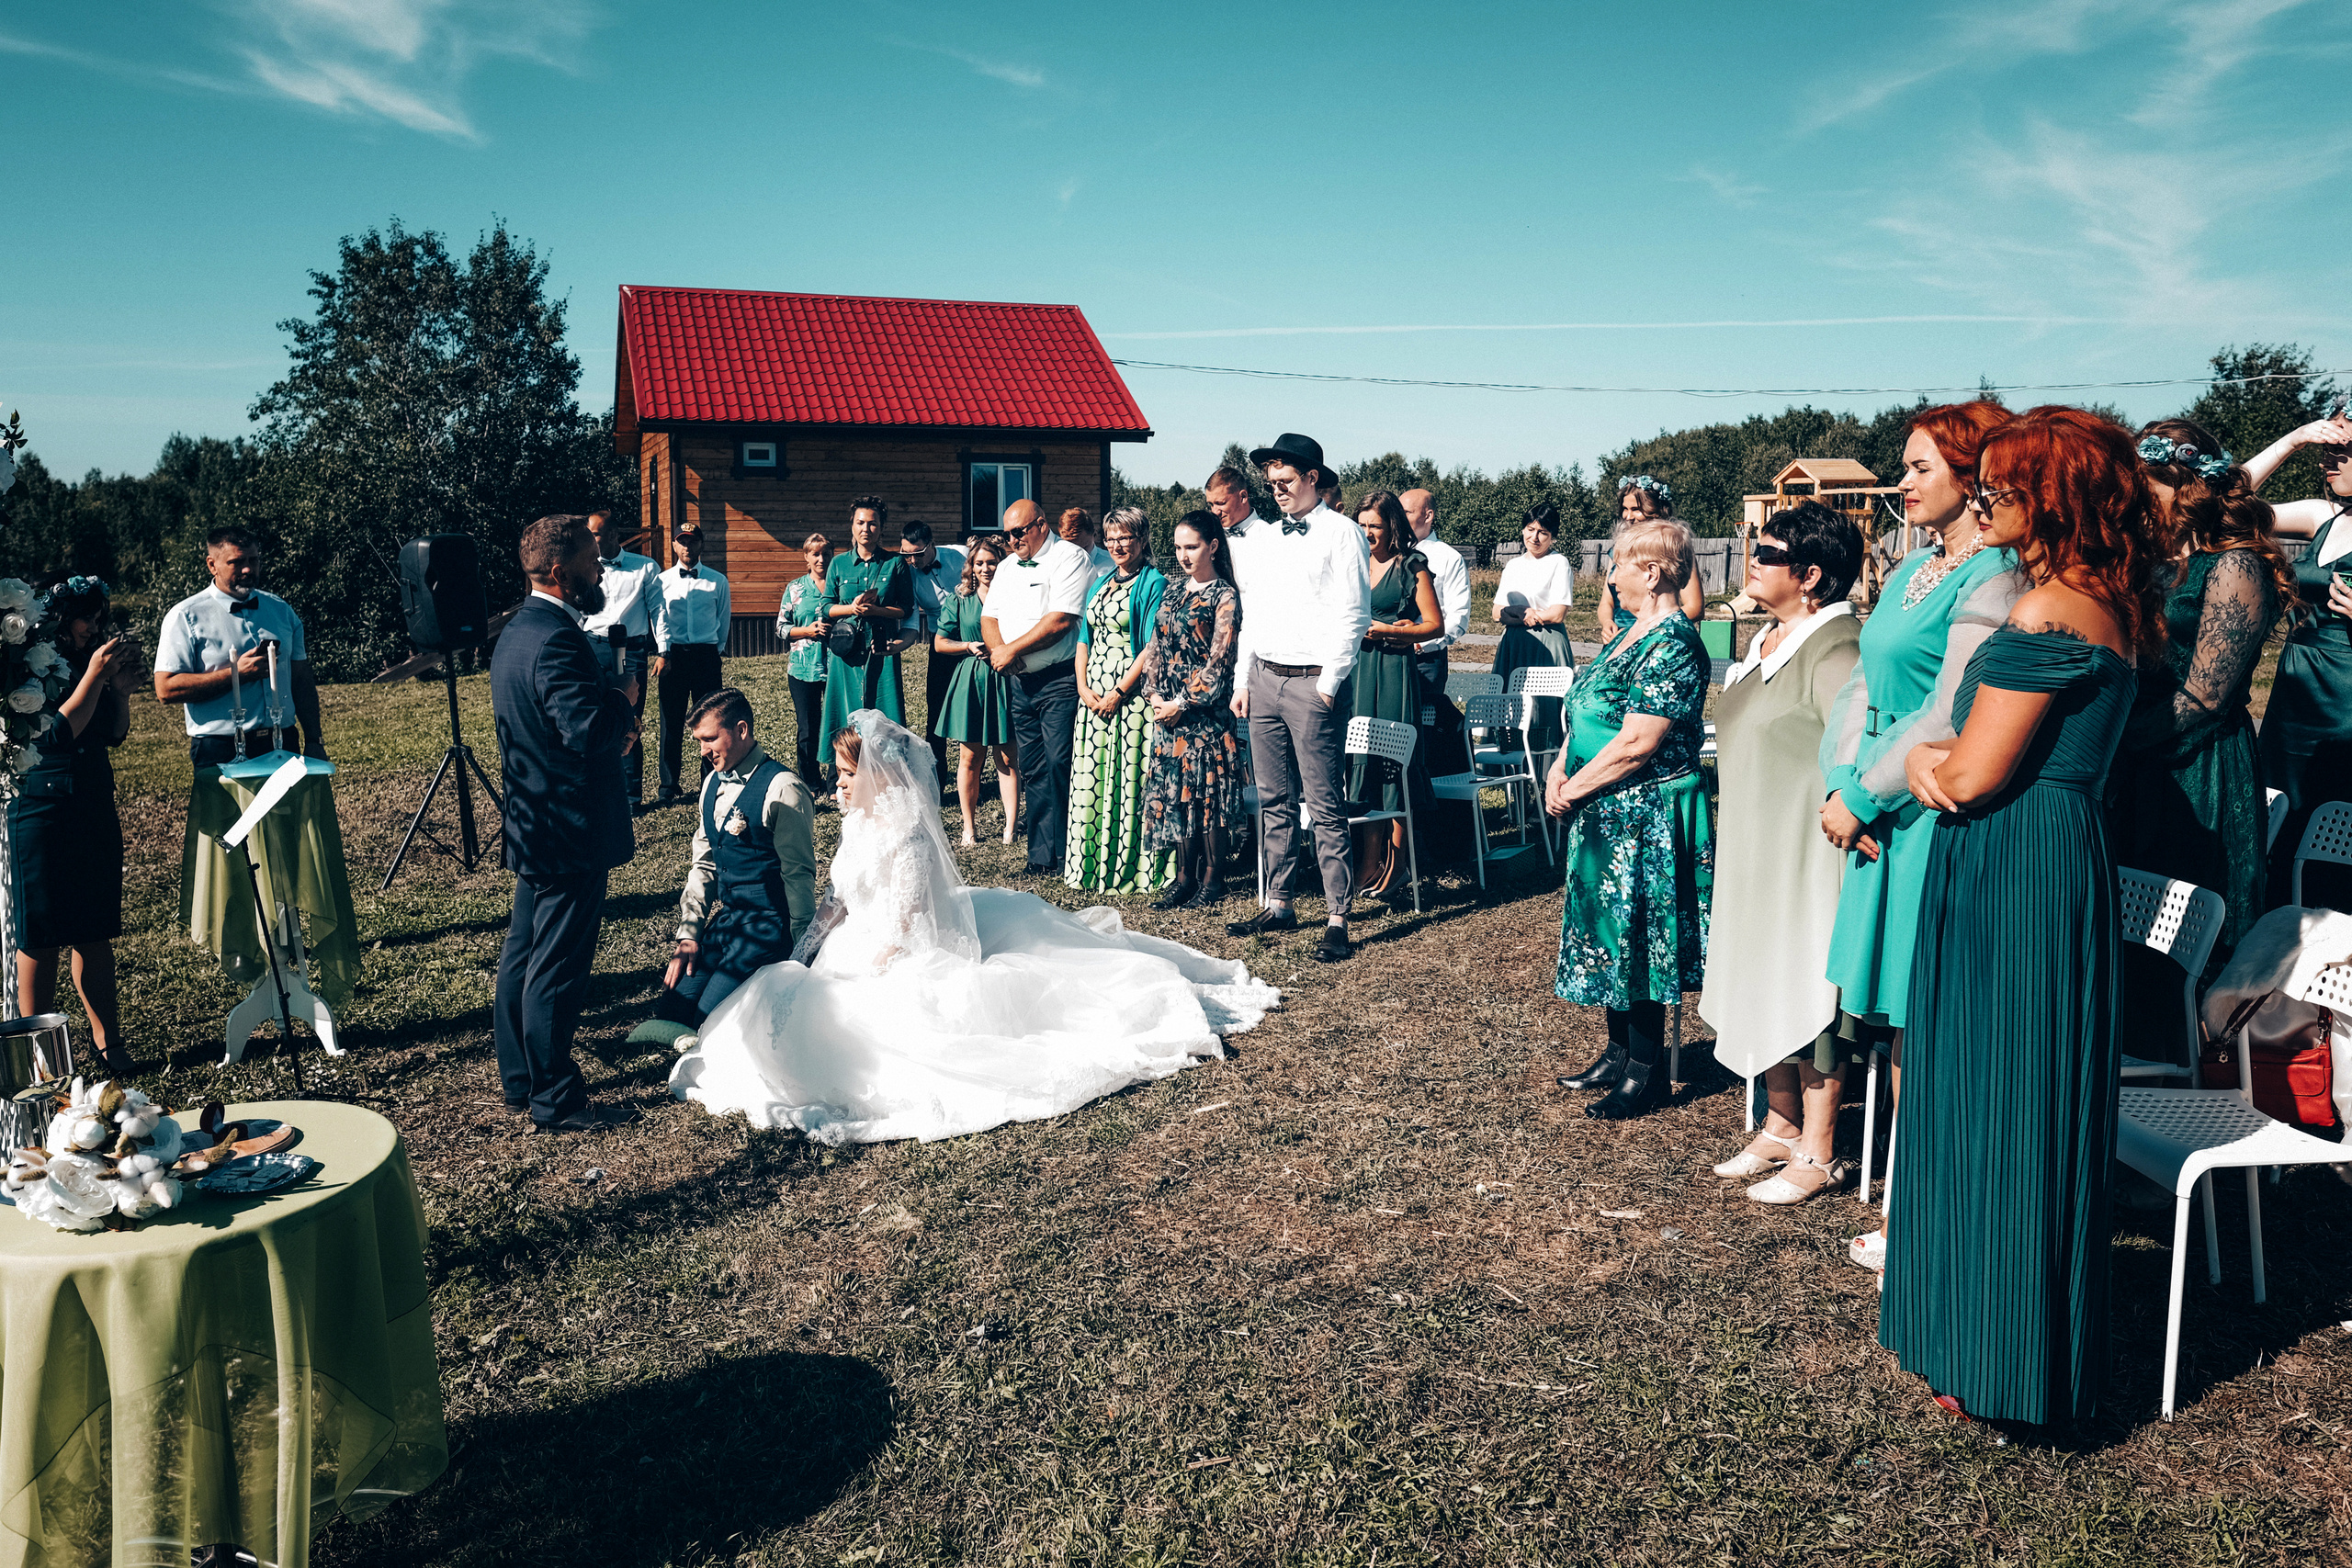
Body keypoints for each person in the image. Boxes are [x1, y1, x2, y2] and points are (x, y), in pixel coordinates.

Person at [1879, 405, 2165, 1427]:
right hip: (2040, 857)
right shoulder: (2108, 599)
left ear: (2051, 496)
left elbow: (1967, 772)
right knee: (1991, 1093)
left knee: (2005, 1100)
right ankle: (1970, 1335)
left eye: (2000, 482)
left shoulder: (2051, 609)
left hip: (2020, 864)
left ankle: (2003, 1358)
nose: (1984, 495)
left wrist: (1915, 763)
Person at [668, 712, 1278, 1145]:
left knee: (860, 1023)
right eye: (837, 773)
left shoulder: (906, 830)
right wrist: (808, 947)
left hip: (905, 949)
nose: (838, 783)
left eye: (847, 773)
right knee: (786, 995)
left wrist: (868, 968)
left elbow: (905, 916)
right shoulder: (855, 822)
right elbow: (837, 897)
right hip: (858, 941)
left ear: (878, 774)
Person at [1818, 400, 2020, 1277]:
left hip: (1929, 811)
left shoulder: (1996, 576)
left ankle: (1927, 1214)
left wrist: (1866, 794)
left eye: (1918, 467)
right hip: (1875, 811)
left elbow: (1947, 710)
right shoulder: (1912, 568)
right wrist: (1838, 781)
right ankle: (1916, 1201)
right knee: (1897, 1027)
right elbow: (1864, 682)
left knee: (1928, 1027)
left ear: (1973, 479)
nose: (1901, 482)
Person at [1696, 503, 1865, 1202]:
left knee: (1808, 988)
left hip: (1806, 852)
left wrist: (1846, 810)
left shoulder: (1834, 649)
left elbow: (1856, 741)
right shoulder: (1772, 638)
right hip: (1754, 846)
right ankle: (1780, 1120)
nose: (1752, 561)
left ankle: (1820, 1148)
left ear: (1812, 574)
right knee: (1762, 974)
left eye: (1766, 553)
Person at [1546, 517, 1713, 1120]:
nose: (1609, 573)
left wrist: (1575, 788)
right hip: (1604, 804)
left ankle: (1645, 1072)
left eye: (1617, 563)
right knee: (1610, 932)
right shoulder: (1627, 632)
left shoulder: (1673, 641)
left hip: (1645, 808)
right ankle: (1617, 1052)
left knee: (1639, 934)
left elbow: (1638, 741)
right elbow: (1585, 710)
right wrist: (1559, 768)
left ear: (1650, 571)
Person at [2109, 421, 2291, 959]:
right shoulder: (2145, 561)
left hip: (2199, 766)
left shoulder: (2235, 565)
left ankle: (2197, 1044)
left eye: (2145, 485)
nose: (2133, 498)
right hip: (2135, 759)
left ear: (2183, 485)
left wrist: (2113, 742)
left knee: (2182, 941)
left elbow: (2204, 697)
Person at [490, 514, 639, 1133]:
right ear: (560, 571)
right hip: (568, 827)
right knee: (555, 966)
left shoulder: (517, 630)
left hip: (534, 821)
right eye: (590, 558)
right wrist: (622, 707)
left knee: (524, 953)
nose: (599, 566)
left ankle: (521, 1077)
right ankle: (555, 1098)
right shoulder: (555, 639)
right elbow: (586, 730)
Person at [1226, 434, 1373, 964]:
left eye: (1286, 483)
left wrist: (1330, 684)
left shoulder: (1343, 534)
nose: (1278, 492)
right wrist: (1245, 679)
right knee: (1272, 799)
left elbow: (1353, 615)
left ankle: (1337, 915)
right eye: (1272, 485)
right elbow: (1254, 611)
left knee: (1324, 803)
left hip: (1314, 683)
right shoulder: (1267, 538)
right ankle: (1280, 901)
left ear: (1313, 478)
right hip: (1265, 676)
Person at [11, 575, 141, 1073]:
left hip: (90, 804)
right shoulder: (27, 663)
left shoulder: (91, 664)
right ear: (60, 618)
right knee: (40, 937)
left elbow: (112, 733)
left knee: (93, 929)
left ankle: (108, 1043)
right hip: (39, 807)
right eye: (87, 617)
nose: (95, 627)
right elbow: (58, 733)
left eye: (100, 617)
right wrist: (94, 674)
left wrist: (121, 692)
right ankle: (40, 1058)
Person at [656, 687, 818, 1031]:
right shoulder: (712, 783)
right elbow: (704, 864)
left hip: (768, 928)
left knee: (707, 1022)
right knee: (672, 1009)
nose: (703, 751)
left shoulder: (783, 788)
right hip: (729, 922)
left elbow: (798, 873)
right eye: (699, 741)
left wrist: (803, 950)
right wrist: (689, 934)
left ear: (741, 730)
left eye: (710, 739)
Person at [2241, 409, 2352, 900]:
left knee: (2336, 826)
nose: (2332, 457)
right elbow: (2227, 501)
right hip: (2293, 699)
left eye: (2345, 449)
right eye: (2329, 446)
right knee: (2281, 820)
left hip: (2346, 706)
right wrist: (2294, 439)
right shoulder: (2322, 517)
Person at [1137, 511, 1246, 910]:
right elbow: (1155, 648)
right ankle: (1183, 878)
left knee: (1207, 799)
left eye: (1192, 547)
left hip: (1205, 716)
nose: (1183, 555)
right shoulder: (1172, 592)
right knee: (1177, 796)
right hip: (1169, 714)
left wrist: (1183, 701)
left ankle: (1213, 880)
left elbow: (1220, 661)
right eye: (1179, 547)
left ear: (1213, 546)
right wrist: (1154, 697)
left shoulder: (1225, 596)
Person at [153, 525, 326, 764]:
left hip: (283, 743)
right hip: (221, 749)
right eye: (236, 562)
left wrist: (315, 740)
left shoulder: (281, 611)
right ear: (212, 565)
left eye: (253, 560)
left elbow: (301, 680)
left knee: (285, 804)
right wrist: (236, 674)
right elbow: (166, 689)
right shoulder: (185, 616)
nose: (248, 569)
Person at [1065, 508, 1171, 895]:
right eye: (1110, 537)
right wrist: (1081, 686)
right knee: (1093, 778)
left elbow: (1152, 646)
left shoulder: (1153, 582)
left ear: (1142, 539)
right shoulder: (1101, 582)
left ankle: (1132, 869)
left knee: (1129, 779)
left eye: (1125, 537)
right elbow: (1083, 638)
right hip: (1092, 695)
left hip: (1130, 698)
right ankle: (1090, 867)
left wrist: (1119, 692)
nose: (1116, 545)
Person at [983, 499, 1091, 874]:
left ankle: (1068, 854)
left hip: (1059, 678)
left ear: (1041, 526)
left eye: (1018, 532)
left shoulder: (1070, 558)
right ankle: (1042, 856)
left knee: (1060, 763)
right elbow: (989, 615)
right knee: (1032, 767)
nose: (1011, 541)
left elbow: (1060, 620)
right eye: (1007, 534)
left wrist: (1012, 649)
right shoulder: (1009, 566)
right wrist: (1002, 653)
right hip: (1020, 682)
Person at [1346, 491, 1442, 898]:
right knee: (1362, 761)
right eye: (1362, 525)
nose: (1368, 533)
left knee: (1392, 760)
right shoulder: (1351, 562)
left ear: (1392, 527)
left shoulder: (1411, 564)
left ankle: (1399, 862)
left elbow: (1434, 625)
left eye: (1376, 525)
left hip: (1393, 667)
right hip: (1357, 668)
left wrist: (1391, 630)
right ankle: (1369, 858)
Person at [933, 534, 1021, 846]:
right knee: (970, 759)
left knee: (1008, 757)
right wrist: (967, 646)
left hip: (1005, 678)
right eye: (980, 563)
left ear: (1003, 564)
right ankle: (969, 828)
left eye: (992, 562)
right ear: (971, 566)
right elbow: (940, 643)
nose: (986, 569)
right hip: (971, 680)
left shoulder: (1014, 595)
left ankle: (1010, 828)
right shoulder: (960, 599)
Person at [820, 495, 914, 777]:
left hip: (881, 648)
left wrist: (877, 610)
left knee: (884, 710)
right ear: (852, 526)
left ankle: (888, 774)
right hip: (846, 649)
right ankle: (841, 774)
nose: (866, 529)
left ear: (881, 527)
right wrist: (852, 608)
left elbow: (904, 609)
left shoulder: (895, 563)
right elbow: (826, 607)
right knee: (844, 709)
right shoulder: (838, 564)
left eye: (872, 524)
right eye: (860, 522)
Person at [582, 509, 660, 808]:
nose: (591, 540)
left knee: (629, 720)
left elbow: (659, 612)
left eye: (596, 534)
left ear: (614, 534)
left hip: (633, 651)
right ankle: (600, 791)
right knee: (596, 719)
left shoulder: (645, 568)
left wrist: (663, 651)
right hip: (592, 647)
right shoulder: (584, 568)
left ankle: (630, 796)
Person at [651, 524, 730, 807]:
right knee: (671, 721)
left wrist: (714, 651)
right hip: (673, 657)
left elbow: (724, 619)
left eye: (692, 541)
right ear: (674, 545)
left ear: (701, 545)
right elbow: (657, 618)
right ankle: (668, 786)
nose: (687, 546)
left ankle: (709, 780)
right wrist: (664, 649)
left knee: (709, 720)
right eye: (682, 541)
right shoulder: (661, 581)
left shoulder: (717, 581)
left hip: (705, 656)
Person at [1491, 503, 1577, 755]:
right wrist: (1522, 614)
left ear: (1553, 536)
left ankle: (1544, 770)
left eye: (1543, 532)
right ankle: (1512, 767)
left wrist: (1530, 615)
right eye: (1530, 530)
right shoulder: (1513, 565)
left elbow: (1558, 612)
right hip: (1514, 643)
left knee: (1544, 707)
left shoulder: (1558, 563)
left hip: (1547, 642)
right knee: (1513, 705)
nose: (1535, 538)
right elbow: (1497, 611)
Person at [1401, 487, 1472, 774]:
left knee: (1420, 733)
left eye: (1406, 512)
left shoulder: (1448, 558)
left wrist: (1420, 643)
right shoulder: (1390, 553)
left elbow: (1458, 618)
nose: (1399, 518)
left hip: (1426, 659)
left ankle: (1427, 799)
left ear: (1427, 515)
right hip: (1390, 654)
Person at [898, 520, 967, 790]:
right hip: (942, 643)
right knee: (935, 709)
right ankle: (937, 777)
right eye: (906, 555)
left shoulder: (960, 555)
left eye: (917, 554)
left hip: (974, 637)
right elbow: (913, 618)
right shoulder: (908, 573)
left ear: (931, 545)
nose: (912, 560)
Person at [775, 532, 835, 801]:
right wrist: (806, 631)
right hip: (803, 668)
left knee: (838, 725)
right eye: (815, 554)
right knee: (808, 728)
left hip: (837, 666)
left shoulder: (840, 586)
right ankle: (811, 781)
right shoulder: (796, 588)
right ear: (806, 558)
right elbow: (781, 627)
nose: (821, 559)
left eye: (825, 553)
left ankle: (836, 783)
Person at [1600, 478, 1706, 626]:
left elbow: (1695, 607)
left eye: (1636, 509)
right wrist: (1607, 623)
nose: (1628, 517)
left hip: (1655, 638)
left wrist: (1646, 629)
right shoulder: (1618, 549)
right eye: (1625, 509)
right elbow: (1606, 602)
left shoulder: (1674, 548)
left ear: (1656, 510)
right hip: (1617, 639)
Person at [1060, 506, 1116, 588]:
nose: (1079, 554)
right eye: (1073, 549)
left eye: (1084, 548)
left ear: (1094, 534)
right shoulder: (1056, 566)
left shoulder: (1113, 564)